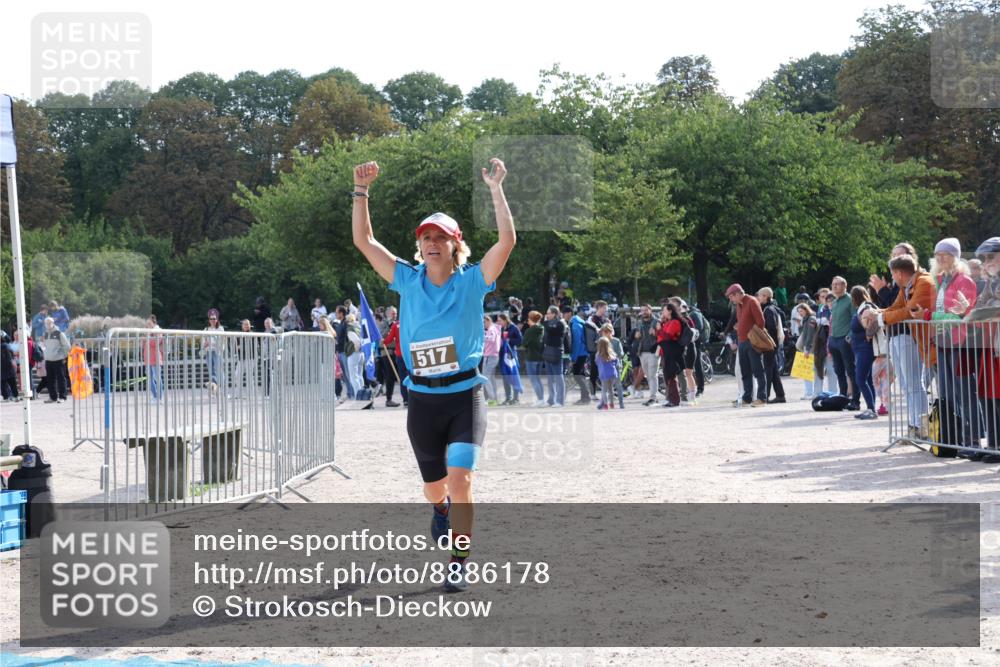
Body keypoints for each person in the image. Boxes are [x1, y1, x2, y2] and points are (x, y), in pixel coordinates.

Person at [351, 157, 515, 593]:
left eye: (441, 237)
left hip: (464, 396)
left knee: (462, 481)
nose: (432, 243)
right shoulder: (406, 280)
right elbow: (364, 241)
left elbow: (507, 241)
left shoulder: (473, 281)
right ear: (419, 246)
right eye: (426, 237)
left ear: (455, 245)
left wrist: (496, 188)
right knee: (434, 488)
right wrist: (361, 190)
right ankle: (438, 508)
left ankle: (458, 562)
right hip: (422, 400)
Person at [913, 238, 981, 449]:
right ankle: (954, 438)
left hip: (961, 342)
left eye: (945, 254)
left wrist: (928, 316)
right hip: (943, 343)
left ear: (955, 257)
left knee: (965, 393)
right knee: (947, 394)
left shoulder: (964, 281)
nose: (940, 258)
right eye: (937, 254)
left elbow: (959, 316)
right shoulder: (941, 280)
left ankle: (973, 440)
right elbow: (944, 312)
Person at [862, 254, 937, 439]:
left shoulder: (923, 282)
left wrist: (880, 318)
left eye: (892, 274)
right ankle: (915, 426)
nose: (892, 278)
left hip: (927, 341)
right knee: (907, 385)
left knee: (914, 384)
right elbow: (896, 307)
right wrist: (876, 312)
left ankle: (921, 427)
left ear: (898, 273)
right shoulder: (908, 285)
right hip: (916, 339)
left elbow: (910, 311)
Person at [726, 284, 768, 407]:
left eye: (731, 296)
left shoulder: (752, 301)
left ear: (738, 293)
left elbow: (761, 322)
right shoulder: (739, 305)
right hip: (742, 341)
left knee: (758, 370)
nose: (730, 299)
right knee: (745, 372)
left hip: (752, 341)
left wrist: (753, 336)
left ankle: (761, 398)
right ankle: (747, 398)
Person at [827, 277, 860, 410]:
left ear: (844, 286)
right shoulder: (834, 302)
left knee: (851, 371)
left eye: (837, 284)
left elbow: (856, 318)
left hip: (844, 340)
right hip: (834, 339)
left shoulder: (850, 300)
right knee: (839, 371)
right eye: (833, 284)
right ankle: (842, 399)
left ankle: (855, 401)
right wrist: (830, 340)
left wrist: (850, 336)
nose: (834, 287)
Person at [849, 286, 879, 420]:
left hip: (865, 348)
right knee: (867, 380)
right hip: (861, 348)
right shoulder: (863, 307)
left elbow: (875, 320)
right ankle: (871, 408)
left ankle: (871, 409)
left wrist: (869, 334)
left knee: (860, 379)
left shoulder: (866, 307)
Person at [757, 287, 786, 404]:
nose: (758, 298)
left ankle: (765, 396)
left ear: (765, 296)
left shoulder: (768, 310)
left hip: (769, 345)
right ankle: (780, 395)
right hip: (773, 344)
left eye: (760, 295)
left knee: (768, 370)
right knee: (773, 370)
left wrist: (766, 340)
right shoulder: (773, 308)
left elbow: (772, 327)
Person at [542, 306, 567, 407]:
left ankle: (560, 401)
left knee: (558, 376)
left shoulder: (560, 323)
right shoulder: (549, 323)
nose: (547, 315)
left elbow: (551, 330)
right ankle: (551, 399)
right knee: (550, 378)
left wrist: (545, 322)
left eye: (549, 313)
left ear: (554, 314)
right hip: (548, 350)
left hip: (556, 351)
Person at [41, 317, 70, 403]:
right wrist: (45, 353)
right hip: (48, 360)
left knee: (61, 379)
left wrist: (64, 356)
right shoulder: (45, 334)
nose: (48, 325)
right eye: (46, 323)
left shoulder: (59, 333)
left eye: (50, 323)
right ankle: (53, 397)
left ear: (53, 323)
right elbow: (45, 345)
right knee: (50, 379)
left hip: (59, 359)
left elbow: (67, 346)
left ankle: (62, 397)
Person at [497, 312, 522, 405]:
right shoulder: (501, 328)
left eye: (500, 320)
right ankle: (508, 398)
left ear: (505, 320)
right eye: (498, 321)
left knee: (513, 376)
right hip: (502, 355)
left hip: (511, 355)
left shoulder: (513, 327)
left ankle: (516, 398)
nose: (498, 322)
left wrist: (509, 340)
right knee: (505, 376)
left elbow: (520, 340)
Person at [521, 311, 546, 407]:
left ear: (531, 319)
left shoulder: (529, 331)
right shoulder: (542, 328)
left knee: (534, 380)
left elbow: (524, 344)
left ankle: (540, 399)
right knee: (538, 379)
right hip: (540, 357)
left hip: (531, 357)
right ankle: (541, 399)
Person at [795, 304, 819, 400]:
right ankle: (808, 392)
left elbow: (810, 335)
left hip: (810, 348)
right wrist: (799, 325)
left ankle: (810, 393)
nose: (800, 313)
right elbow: (803, 334)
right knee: (806, 372)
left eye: (801, 311)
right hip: (807, 348)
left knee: (808, 371)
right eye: (799, 312)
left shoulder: (811, 319)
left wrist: (807, 348)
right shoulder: (805, 319)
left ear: (806, 309)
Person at [599, 323, 626, 409]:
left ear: (610, 332)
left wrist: (612, 357)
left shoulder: (616, 341)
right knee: (606, 387)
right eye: (603, 332)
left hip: (616, 367)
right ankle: (603, 403)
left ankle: (621, 403)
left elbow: (621, 354)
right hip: (605, 368)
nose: (604, 334)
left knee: (618, 385)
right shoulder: (602, 341)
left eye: (605, 332)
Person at [569, 307, 590, 404]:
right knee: (581, 375)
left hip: (579, 353)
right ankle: (585, 397)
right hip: (583, 352)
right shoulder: (580, 323)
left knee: (577, 375)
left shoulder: (575, 325)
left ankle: (586, 397)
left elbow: (577, 343)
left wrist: (574, 357)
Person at [201, 309, 225, 392]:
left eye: (214, 318)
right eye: (211, 319)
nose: (213, 320)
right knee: (211, 370)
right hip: (208, 351)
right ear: (209, 320)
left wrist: (216, 345)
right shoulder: (206, 329)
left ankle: (221, 388)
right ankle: (214, 388)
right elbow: (203, 341)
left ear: (217, 319)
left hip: (217, 351)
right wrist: (205, 344)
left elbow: (223, 341)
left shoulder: (220, 329)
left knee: (218, 370)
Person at [144, 315, 165, 403]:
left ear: (154, 322)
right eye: (147, 324)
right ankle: (155, 396)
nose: (148, 325)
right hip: (148, 358)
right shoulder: (148, 332)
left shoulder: (158, 331)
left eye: (149, 323)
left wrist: (148, 337)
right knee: (149, 379)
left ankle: (160, 397)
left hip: (156, 358)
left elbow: (156, 343)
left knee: (157, 378)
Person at [595, 336, 620, 410]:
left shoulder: (598, 355)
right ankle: (612, 404)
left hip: (604, 374)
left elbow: (596, 362)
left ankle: (605, 405)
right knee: (611, 389)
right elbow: (616, 362)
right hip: (612, 374)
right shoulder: (612, 354)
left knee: (604, 390)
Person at [481, 315, 501, 405]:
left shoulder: (491, 329)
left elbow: (492, 339)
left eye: (484, 322)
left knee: (485, 377)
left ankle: (492, 399)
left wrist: (482, 336)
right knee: (491, 378)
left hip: (490, 356)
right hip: (493, 356)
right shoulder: (494, 328)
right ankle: (494, 399)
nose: (483, 324)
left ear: (489, 321)